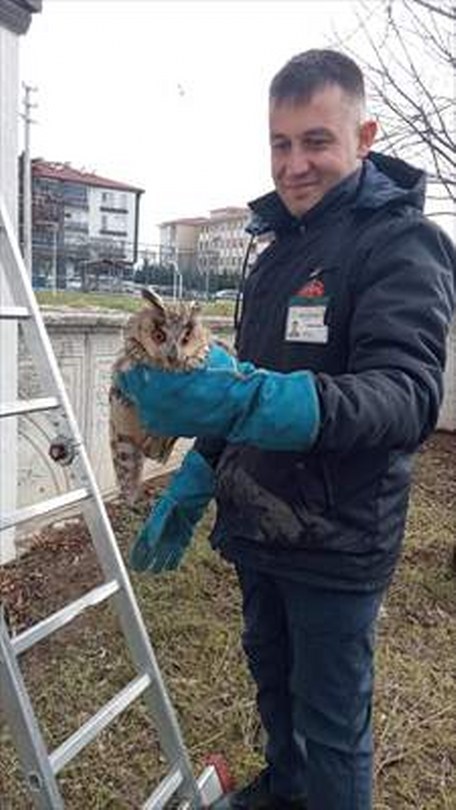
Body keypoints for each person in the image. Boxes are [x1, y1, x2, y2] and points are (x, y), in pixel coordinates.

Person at [117, 50, 456, 810]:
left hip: (338, 537)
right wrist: (201, 473)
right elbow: (244, 387)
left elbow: (405, 399)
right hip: (259, 522)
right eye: (280, 143)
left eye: (316, 141)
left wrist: (248, 405)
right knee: (273, 686)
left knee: (333, 726)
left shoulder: (402, 244)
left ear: (364, 136)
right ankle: (285, 794)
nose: (295, 164)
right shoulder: (274, 252)